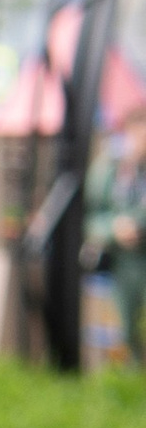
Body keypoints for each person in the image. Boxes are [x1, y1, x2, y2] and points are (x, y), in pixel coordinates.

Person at [85, 109, 146, 365]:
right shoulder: (109, 169)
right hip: (121, 264)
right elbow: (88, 218)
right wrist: (114, 228)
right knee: (125, 327)